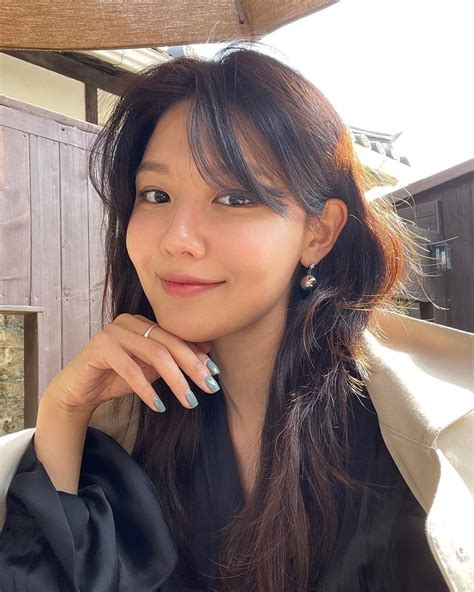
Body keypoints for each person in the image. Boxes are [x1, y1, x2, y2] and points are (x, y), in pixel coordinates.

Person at [0, 42, 460, 591]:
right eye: (156, 193)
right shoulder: (129, 431)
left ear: (319, 232)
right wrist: (64, 408)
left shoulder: (417, 446)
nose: (178, 239)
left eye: (235, 198)